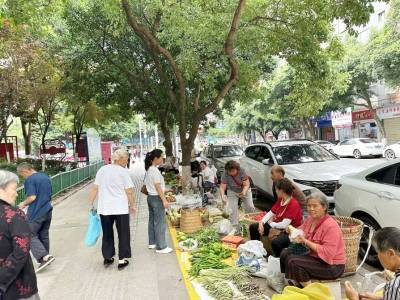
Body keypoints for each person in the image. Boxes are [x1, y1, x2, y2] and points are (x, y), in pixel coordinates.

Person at [280, 192, 346, 287]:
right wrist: (290, 229)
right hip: (316, 258)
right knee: (285, 253)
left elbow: (328, 253)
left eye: (315, 206)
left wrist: (305, 241)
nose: (311, 209)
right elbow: (301, 230)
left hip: (332, 266)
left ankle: (309, 290)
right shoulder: (311, 219)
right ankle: (295, 280)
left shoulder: (331, 226)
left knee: (293, 261)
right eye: (309, 206)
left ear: (324, 207)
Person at [89, 149, 136, 270]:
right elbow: (129, 191)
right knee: (123, 233)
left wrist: (91, 203)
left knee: (107, 233)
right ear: (120, 159)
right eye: (126, 159)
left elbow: (95, 188)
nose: (127, 161)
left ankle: (108, 257)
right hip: (120, 208)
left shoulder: (102, 170)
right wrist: (132, 205)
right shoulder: (123, 172)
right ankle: (122, 260)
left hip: (104, 208)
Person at [0, 170, 39, 300]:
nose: (17, 194)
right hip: (18, 288)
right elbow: (21, 251)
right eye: (14, 189)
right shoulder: (14, 214)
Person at [249, 178, 302, 257]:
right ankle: (256, 251)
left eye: (277, 189)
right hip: (277, 226)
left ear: (282, 191)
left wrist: (271, 224)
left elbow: (284, 225)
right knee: (253, 227)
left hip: (289, 232)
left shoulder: (293, 204)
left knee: (276, 243)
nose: (276, 191)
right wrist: (261, 223)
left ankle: (278, 260)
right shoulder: (281, 199)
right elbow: (270, 213)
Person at [17, 163, 55, 272]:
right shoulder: (45, 176)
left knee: (29, 234)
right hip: (48, 209)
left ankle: (43, 257)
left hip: (36, 212)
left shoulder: (30, 180)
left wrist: (23, 203)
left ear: (25, 171)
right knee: (44, 234)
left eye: (22, 174)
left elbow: (32, 197)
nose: (23, 177)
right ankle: (46, 256)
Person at [345, 227, 400, 300]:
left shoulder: (394, 286)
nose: (377, 256)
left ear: (390, 253)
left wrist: (354, 298)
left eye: (378, 252)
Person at [144, 149, 173, 254]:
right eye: (161, 157)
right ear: (156, 158)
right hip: (156, 198)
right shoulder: (154, 170)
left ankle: (152, 242)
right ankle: (161, 246)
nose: (162, 159)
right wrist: (164, 200)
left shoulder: (149, 169)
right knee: (160, 222)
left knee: (152, 220)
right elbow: (157, 186)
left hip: (150, 198)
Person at [219, 160, 255, 230]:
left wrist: (244, 192)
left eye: (232, 171)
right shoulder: (225, 173)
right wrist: (223, 196)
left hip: (244, 189)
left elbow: (247, 184)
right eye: (229, 171)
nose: (230, 173)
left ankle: (251, 224)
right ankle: (235, 227)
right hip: (232, 190)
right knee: (232, 209)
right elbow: (222, 186)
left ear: (237, 169)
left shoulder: (242, 171)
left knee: (250, 206)